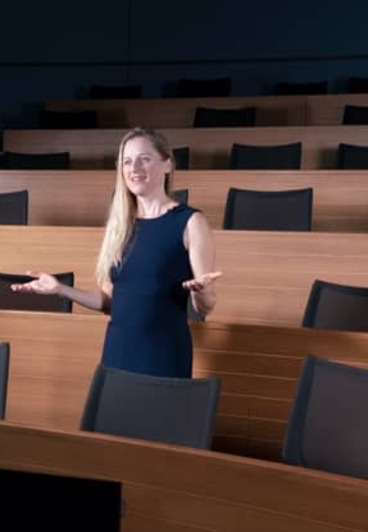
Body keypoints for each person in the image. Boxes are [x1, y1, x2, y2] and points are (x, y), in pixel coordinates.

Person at [11, 126, 222, 378]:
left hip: (163, 354)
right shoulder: (120, 225)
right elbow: (110, 302)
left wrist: (201, 291)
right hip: (117, 352)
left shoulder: (190, 222)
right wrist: (60, 289)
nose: (135, 168)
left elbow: (206, 307)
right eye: (127, 162)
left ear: (167, 164)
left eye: (145, 159)